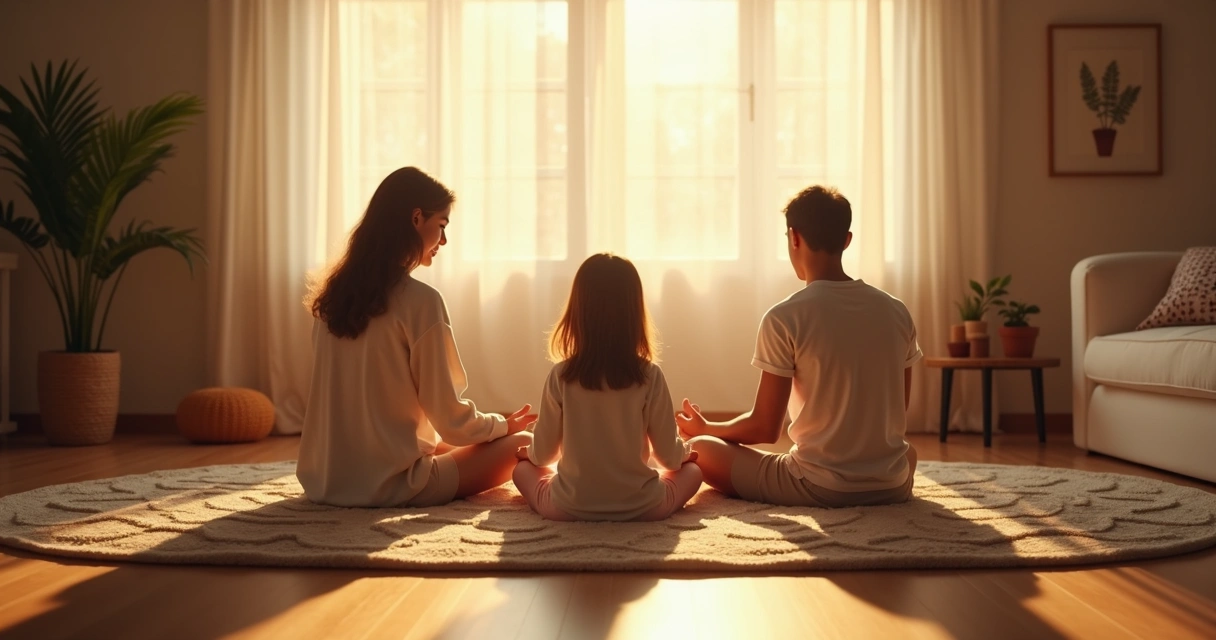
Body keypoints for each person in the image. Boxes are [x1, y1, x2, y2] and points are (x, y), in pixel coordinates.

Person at [297, 166, 536, 507]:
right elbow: (451, 419)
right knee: (520, 444)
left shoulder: (331, 298)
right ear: (416, 218)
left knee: (446, 444)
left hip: (324, 479)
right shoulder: (421, 301)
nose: (444, 241)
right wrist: (502, 426)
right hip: (394, 485)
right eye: (441, 226)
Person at [677, 185, 921, 508]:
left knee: (700, 447)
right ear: (846, 240)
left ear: (794, 237)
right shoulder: (896, 311)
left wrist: (708, 427)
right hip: (893, 485)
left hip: (820, 486)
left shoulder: (784, 317)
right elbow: (897, 410)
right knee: (911, 453)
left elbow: (766, 427)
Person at [512, 253, 702, 521]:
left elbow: (544, 455)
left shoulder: (561, 375)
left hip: (568, 507)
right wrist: (684, 453)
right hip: (644, 507)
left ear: (577, 312)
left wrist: (528, 453)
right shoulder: (649, 375)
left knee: (521, 471)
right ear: (635, 313)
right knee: (694, 472)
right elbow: (668, 459)